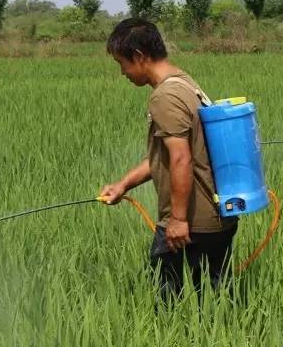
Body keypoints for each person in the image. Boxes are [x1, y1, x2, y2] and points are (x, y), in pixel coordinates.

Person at [99, 18, 237, 301]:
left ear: (139, 56)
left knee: (169, 304)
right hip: (216, 215)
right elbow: (165, 156)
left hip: (191, 222)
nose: (122, 72)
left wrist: (176, 220)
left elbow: (180, 160)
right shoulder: (185, 83)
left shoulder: (166, 96)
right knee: (217, 300)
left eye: (121, 63)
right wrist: (123, 184)